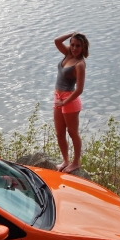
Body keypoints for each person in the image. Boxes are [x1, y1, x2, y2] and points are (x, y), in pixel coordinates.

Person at [53, 31, 89, 173]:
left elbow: (79, 89)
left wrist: (65, 102)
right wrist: (72, 33)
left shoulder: (80, 64)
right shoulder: (68, 53)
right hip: (58, 96)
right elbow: (56, 41)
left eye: (78, 46)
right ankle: (65, 160)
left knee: (72, 132)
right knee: (59, 133)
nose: (74, 48)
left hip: (70, 100)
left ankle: (75, 162)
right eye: (72, 45)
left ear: (83, 47)